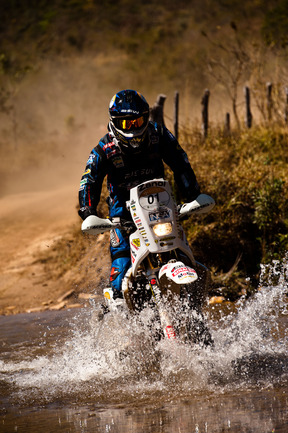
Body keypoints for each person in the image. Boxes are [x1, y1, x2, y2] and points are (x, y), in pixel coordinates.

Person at [78, 89, 202, 300]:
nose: (134, 127)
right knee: (119, 278)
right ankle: (120, 324)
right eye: (128, 123)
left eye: (139, 121)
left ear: (146, 117)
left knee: (187, 259)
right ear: (116, 122)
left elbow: (182, 165)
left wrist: (193, 196)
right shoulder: (103, 149)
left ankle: (197, 318)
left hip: (162, 212)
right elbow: (89, 180)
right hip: (123, 220)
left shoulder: (160, 135)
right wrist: (88, 212)